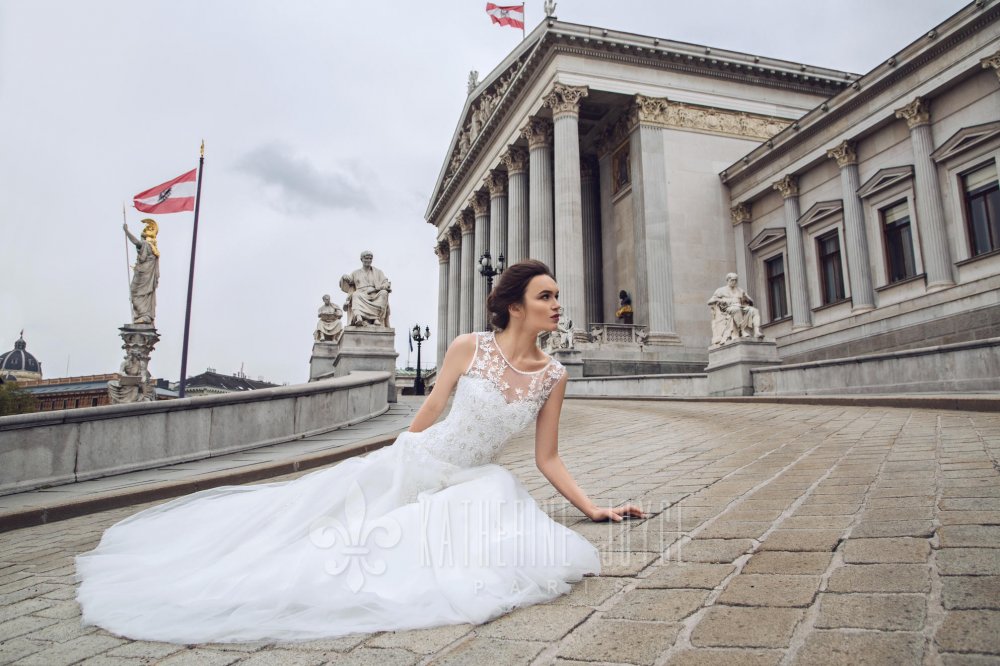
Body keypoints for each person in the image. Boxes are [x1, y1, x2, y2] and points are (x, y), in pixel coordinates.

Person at [75, 259, 643, 644]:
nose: (557, 305)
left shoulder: (554, 375)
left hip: (473, 481)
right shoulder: (469, 347)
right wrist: (399, 455)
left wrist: (592, 507)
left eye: (557, 297)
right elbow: (431, 408)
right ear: (516, 306)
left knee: (449, 540)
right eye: (546, 296)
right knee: (330, 537)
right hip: (420, 460)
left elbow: (548, 457)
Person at [707, 272, 763, 346]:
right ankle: (742, 330)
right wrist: (720, 300)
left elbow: (751, 301)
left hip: (741, 306)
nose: (734, 282)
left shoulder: (740, 290)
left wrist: (747, 298)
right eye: (732, 280)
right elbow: (709, 302)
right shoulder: (721, 290)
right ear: (728, 280)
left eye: (736, 280)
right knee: (736, 309)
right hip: (727, 309)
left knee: (754, 310)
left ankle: (757, 331)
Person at [122, 219, 160, 325]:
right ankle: (143, 315)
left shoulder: (146, 245)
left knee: (135, 293)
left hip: (144, 276)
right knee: (138, 294)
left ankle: (145, 315)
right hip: (142, 274)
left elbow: (136, 242)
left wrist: (126, 231)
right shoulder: (152, 249)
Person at [340, 250, 391, 327]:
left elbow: (386, 283)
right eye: (366, 258)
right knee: (355, 295)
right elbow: (348, 283)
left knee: (384, 293)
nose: (368, 260)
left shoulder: (378, 272)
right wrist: (344, 277)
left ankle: (376, 318)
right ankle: (359, 317)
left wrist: (378, 288)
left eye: (370, 258)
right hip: (361, 294)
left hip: (374, 294)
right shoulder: (355, 273)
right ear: (361, 259)